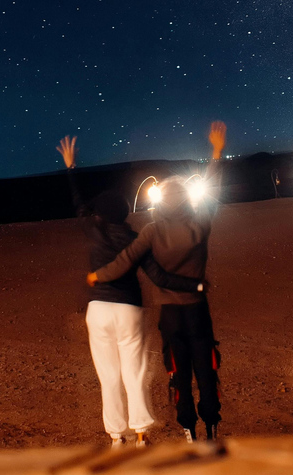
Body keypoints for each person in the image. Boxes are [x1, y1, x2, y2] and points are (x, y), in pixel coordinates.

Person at [57, 135, 203, 449]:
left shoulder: (93, 230)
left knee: (108, 376)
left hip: (99, 310)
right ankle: (140, 434)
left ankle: (115, 436)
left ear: (100, 215)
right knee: (134, 373)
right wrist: (193, 285)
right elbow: (157, 274)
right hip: (129, 310)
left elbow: (78, 203)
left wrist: (71, 168)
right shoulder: (135, 238)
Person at [87, 121, 226, 443]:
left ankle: (188, 429)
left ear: (162, 200)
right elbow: (214, 188)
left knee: (177, 372)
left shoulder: (151, 229)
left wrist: (99, 275)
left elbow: (126, 260)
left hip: (170, 314)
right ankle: (212, 427)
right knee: (207, 370)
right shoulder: (200, 223)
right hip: (197, 311)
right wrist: (216, 154)